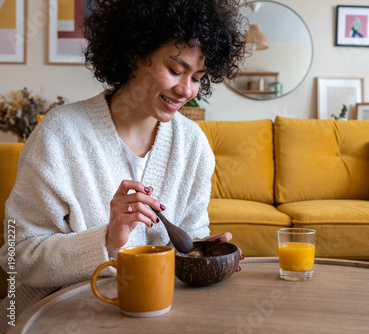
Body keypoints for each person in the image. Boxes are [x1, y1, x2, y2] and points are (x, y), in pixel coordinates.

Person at [0, 0, 246, 329]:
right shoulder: (59, 135)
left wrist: (201, 253)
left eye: (198, 77)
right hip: (62, 317)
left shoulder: (193, 145)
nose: (186, 90)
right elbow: (18, 256)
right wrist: (107, 241)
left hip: (155, 315)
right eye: (175, 70)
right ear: (134, 53)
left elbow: (188, 237)